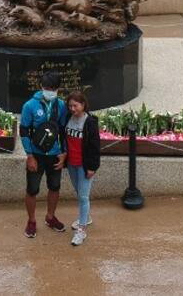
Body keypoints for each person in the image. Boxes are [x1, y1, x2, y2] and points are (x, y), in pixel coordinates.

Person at [20, 71, 68, 239]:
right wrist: (30, 156)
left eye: (54, 88)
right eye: (48, 88)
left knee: (54, 187)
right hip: (37, 154)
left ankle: (50, 216)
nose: (50, 91)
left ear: (58, 89)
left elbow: (63, 131)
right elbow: (24, 131)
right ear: (42, 87)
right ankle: (31, 220)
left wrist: (64, 153)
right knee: (32, 189)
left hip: (54, 154)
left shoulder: (61, 105)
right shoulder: (29, 106)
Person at [63, 90, 100, 247]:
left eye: (75, 106)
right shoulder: (67, 118)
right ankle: (86, 217)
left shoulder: (90, 122)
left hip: (85, 166)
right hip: (71, 163)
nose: (72, 109)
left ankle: (81, 230)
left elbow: (94, 146)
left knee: (83, 197)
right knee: (79, 193)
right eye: (70, 106)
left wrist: (92, 167)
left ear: (83, 105)